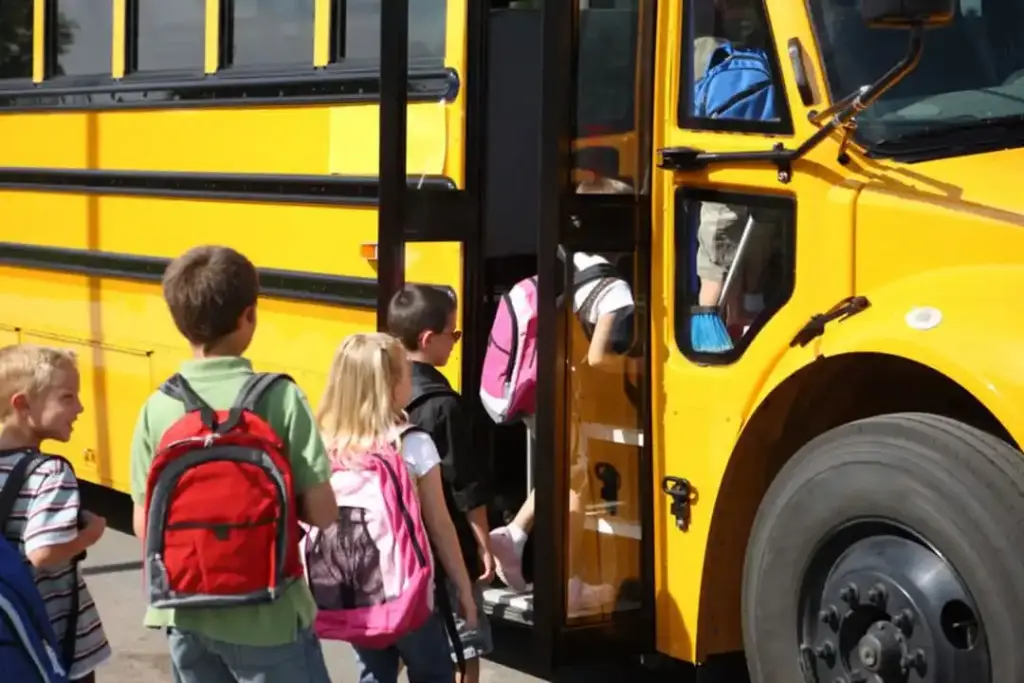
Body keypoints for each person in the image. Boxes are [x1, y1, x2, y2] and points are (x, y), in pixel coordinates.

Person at [129, 245, 338, 683]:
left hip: (184, 613)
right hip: (270, 612)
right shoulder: (280, 398)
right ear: (249, 317)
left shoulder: (159, 406)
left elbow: (145, 524)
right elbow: (322, 512)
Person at [488, 177, 634, 615]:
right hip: (574, 394)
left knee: (561, 473)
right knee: (574, 486)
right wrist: (639, 367)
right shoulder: (615, 289)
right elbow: (596, 358)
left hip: (542, 384)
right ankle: (568, 584)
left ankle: (514, 534)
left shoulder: (568, 257)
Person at [316, 332, 477, 683]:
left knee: (373, 673)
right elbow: (440, 525)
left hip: (354, 588)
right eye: (405, 373)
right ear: (390, 387)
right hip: (409, 596)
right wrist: (464, 589)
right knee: (434, 673)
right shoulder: (412, 443)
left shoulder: (327, 445)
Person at [387, 285, 494, 683]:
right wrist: (483, 545)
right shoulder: (443, 405)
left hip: (397, 551)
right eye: (454, 333)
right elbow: (465, 485)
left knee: (402, 645)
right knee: (465, 648)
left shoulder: (381, 395)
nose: (455, 342)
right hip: (443, 551)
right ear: (428, 339)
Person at [0, 344, 111, 683]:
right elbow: (43, 552)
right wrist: (91, 533)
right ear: (22, 404)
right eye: (67, 397)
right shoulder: (49, 472)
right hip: (54, 641)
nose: (79, 407)